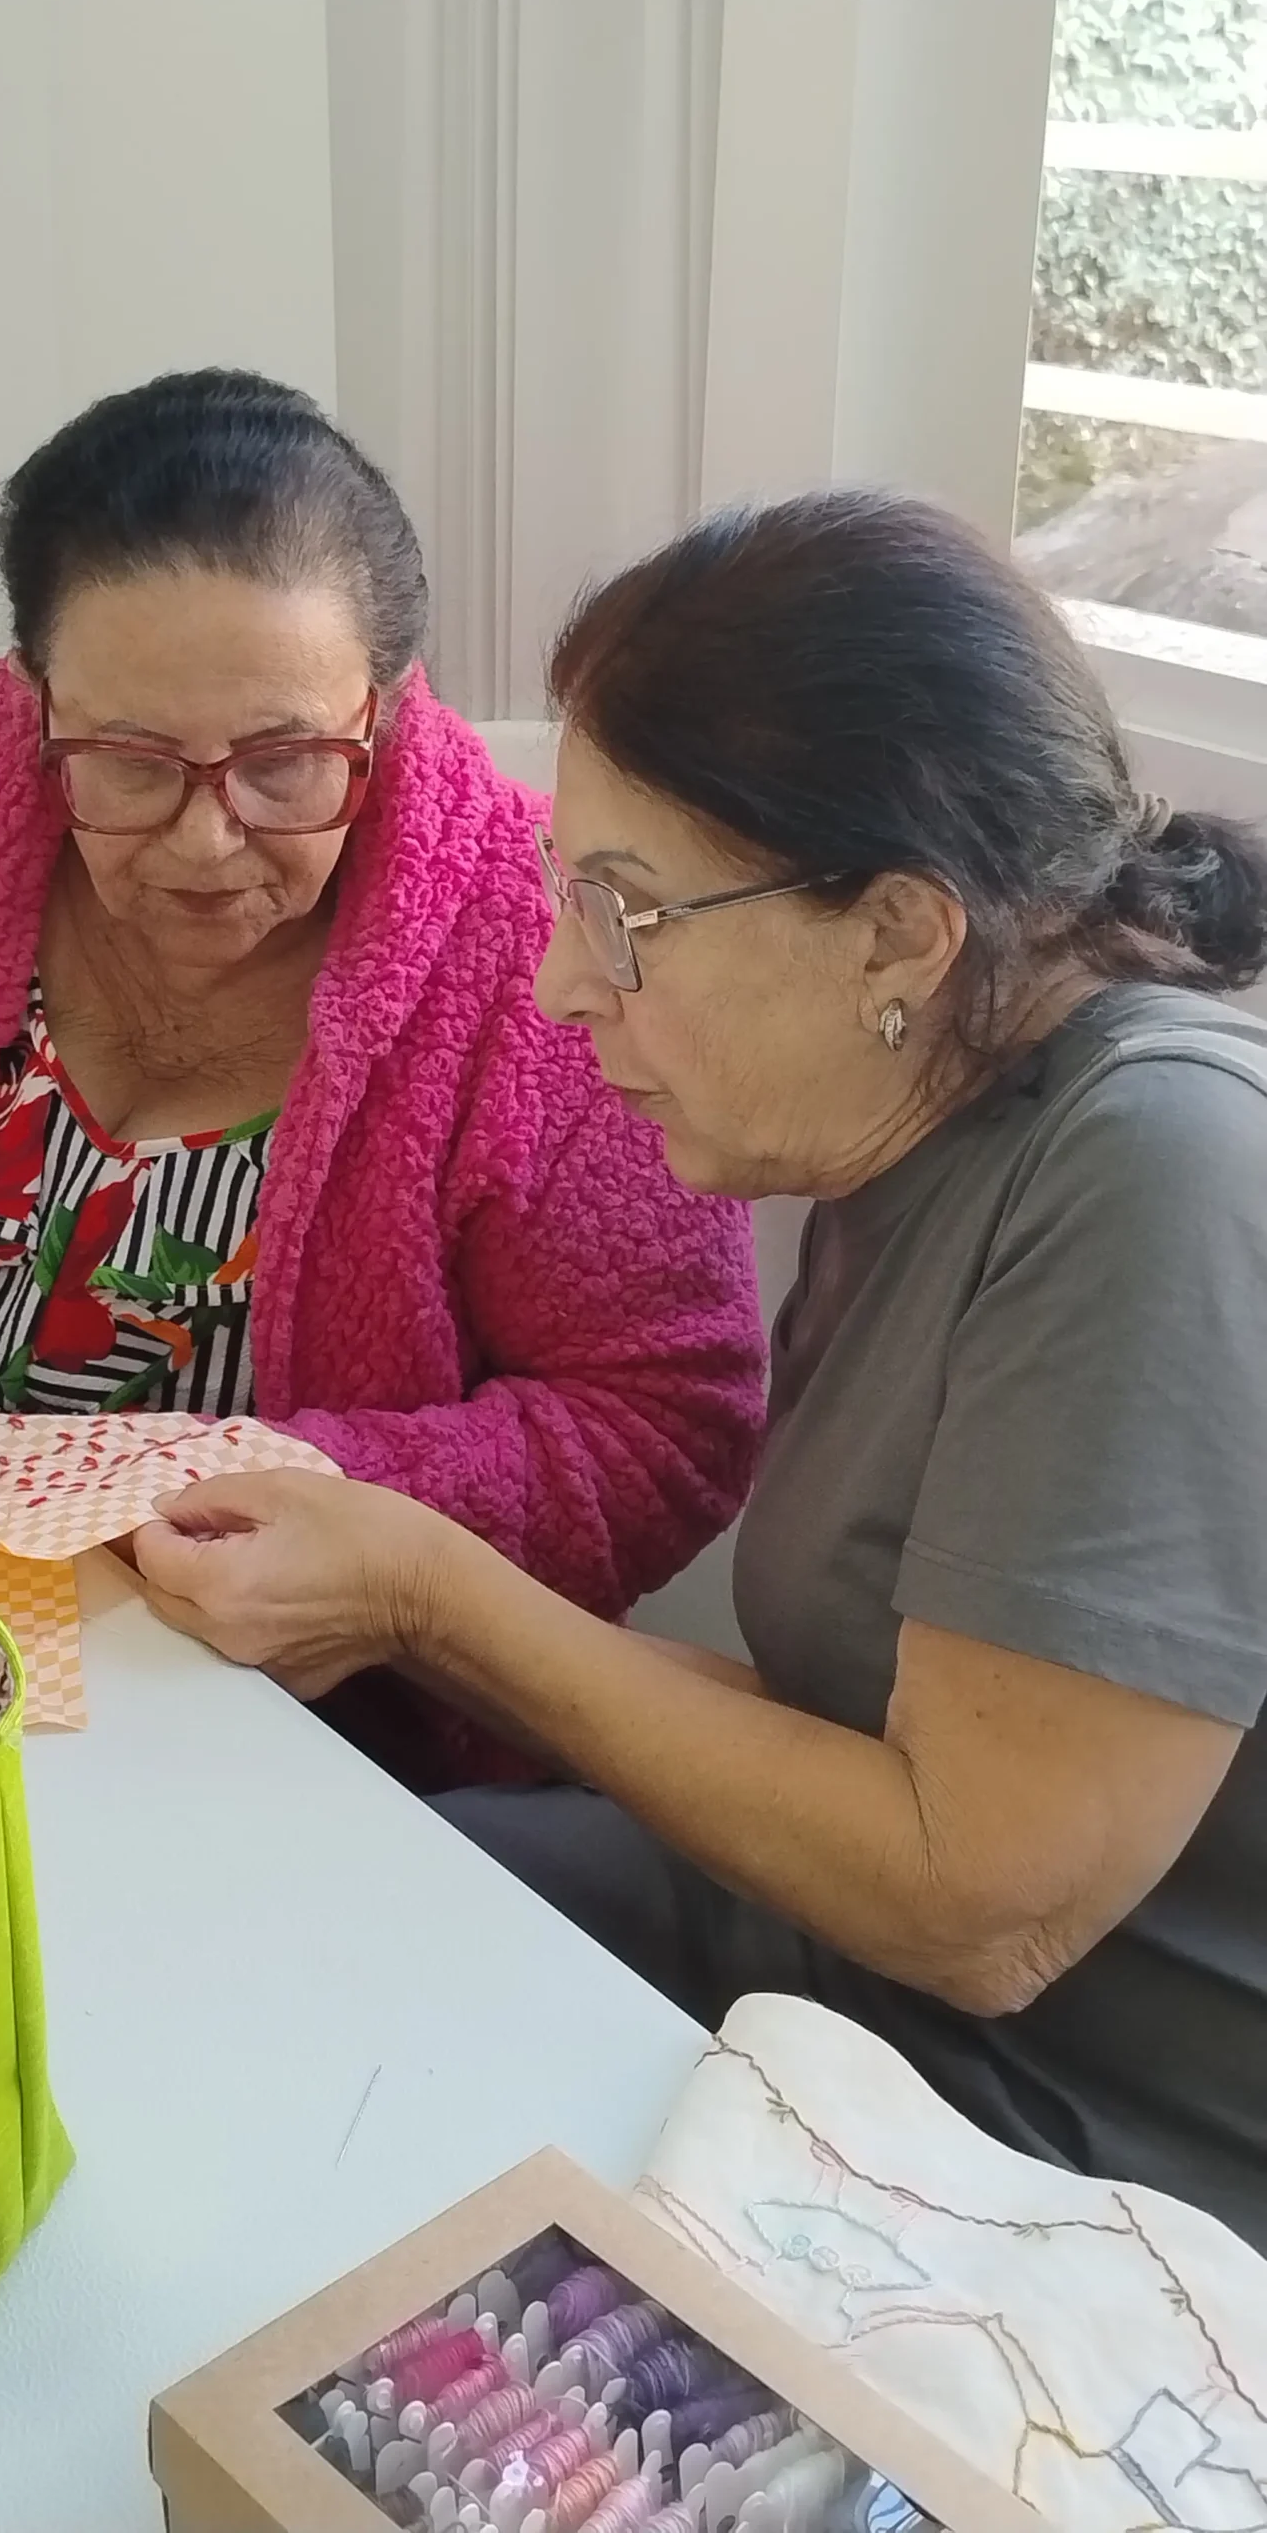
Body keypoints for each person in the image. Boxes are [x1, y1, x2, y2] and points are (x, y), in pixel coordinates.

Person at [131, 489, 1267, 2247]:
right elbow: (854, 1733)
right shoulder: (920, 1132)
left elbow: (981, 1908)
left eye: (625, 911)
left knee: (265, 2098)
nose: (561, 986)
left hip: (1066, 2133)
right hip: (843, 1969)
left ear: (898, 934)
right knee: (241, 1912)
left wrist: (434, 1597)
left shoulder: (1160, 1167)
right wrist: (398, 1594)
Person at [0, 367, 764, 1789]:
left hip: (291, 1743)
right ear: (34, 702)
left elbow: (661, 1422)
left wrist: (341, 1514)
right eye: (128, 762)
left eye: (287, 763)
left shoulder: (534, 954)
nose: (206, 841)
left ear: (388, 709)